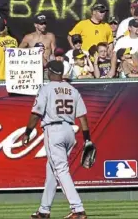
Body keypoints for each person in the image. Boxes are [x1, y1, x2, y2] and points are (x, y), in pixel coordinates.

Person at [22, 60, 92, 219]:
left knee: (60, 170)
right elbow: (82, 117)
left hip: (54, 130)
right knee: (52, 172)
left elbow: (36, 113)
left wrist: (27, 132)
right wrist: (87, 138)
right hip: (69, 131)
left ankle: (78, 209)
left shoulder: (46, 89)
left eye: (48, 71)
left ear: (52, 72)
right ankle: (44, 211)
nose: (46, 72)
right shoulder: (73, 90)